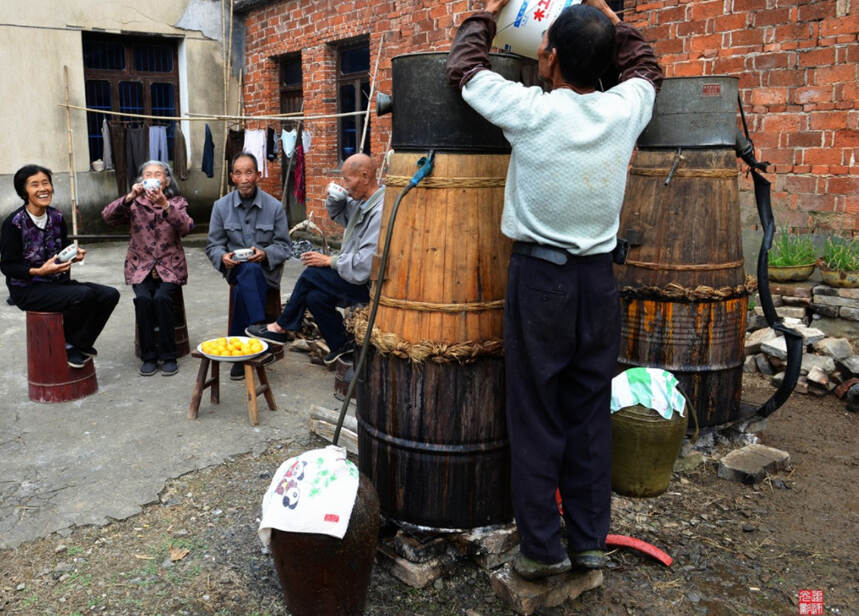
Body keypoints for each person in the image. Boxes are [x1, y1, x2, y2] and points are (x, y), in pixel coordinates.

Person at [446, 0, 663, 580]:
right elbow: (648, 69)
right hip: (598, 282)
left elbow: (463, 68)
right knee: (588, 411)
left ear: (552, 57)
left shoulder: (530, 111)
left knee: (536, 409)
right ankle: (589, 540)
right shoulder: (625, 108)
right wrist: (618, 25)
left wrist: (483, 13)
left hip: (541, 281)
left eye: (546, 46)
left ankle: (543, 548)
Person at [245, 153, 384, 366]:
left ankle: (281, 327)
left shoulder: (379, 211)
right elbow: (340, 215)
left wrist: (329, 261)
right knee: (314, 297)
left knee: (312, 273)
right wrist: (335, 198)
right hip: (356, 275)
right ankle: (341, 346)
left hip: (370, 285)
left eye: (348, 180)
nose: (345, 186)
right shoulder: (363, 202)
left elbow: (364, 266)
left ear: (365, 176)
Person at [1, 164, 120, 369]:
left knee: (110, 294)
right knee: (83, 295)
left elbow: (62, 246)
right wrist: (38, 271)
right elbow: (8, 265)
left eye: (46, 183)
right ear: (24, 191)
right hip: (28, 289)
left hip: (57, 283)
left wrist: (73, 254)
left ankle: (79, 342)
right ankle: (66, 345)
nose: (43, 189)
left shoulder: (56, 216)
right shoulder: (14, 223)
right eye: (35, 185)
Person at [102, 160, 194, 376]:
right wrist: (129, 197)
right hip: (140, 265)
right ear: (141, 181)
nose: (153, 177)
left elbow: (187, 227)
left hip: (170, 265)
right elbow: (107, 217)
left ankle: (169, 355)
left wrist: (166, 206)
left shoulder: (177, 202)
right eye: (148, 174)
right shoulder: (134, 203)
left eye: (158, 174)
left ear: (166, 181)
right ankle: (149, 356)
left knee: (162, 299)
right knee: (143, 299)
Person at [206, 152, 291, 380]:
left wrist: (265, 254)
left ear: (258, 175)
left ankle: (240, 354)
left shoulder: (274, 207)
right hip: (235, 271)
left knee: (251, 273)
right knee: (246, 272)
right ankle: (258, 331)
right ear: (232, 177)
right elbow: (213, 245)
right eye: (238, 173)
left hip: (267, 272)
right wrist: (223, 257)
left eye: (249, 172)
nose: (244, 178)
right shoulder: (221, 207)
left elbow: (284, 246)